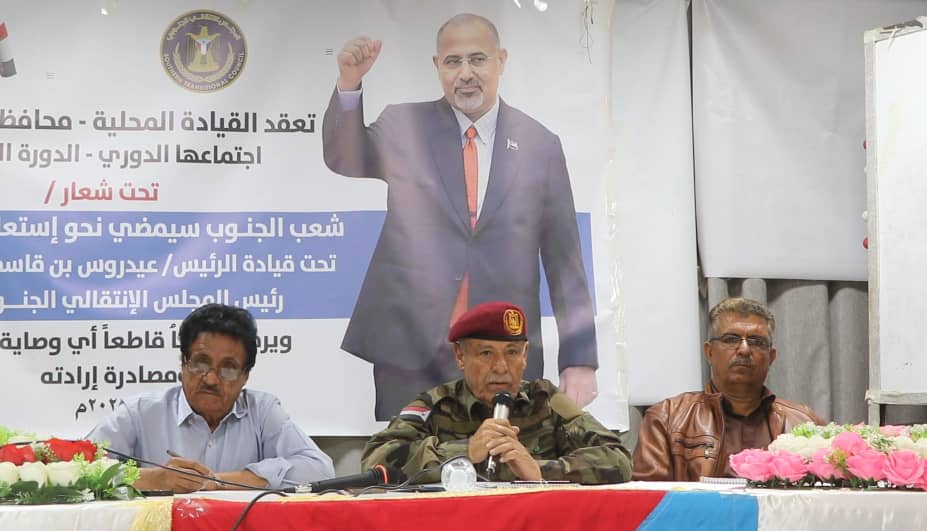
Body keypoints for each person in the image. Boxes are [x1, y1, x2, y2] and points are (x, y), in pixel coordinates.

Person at [322, 13, 599, 420]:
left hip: (501, 353)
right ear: (437, 66)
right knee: (411, 458)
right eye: (453, 61)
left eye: (477, 59)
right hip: (410, 350)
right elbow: (345, 157)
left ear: (501, 60)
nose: (465, 73)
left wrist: (579, 358)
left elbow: (564, 261)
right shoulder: (404, 125)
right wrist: (349, 84)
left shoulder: (539, 144)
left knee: (498, 456)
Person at [361, 301, 631, 484]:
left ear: (525, 355)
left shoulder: (546, 400)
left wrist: (539, 470)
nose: (501, 367)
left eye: (512, 353)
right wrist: (466, 451)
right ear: (460, 356)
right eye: (486, 353)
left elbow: (617, 457)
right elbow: (376, 460)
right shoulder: (436, 404)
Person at [87, 303, 334, 493]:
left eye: (228, 368)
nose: (212, 379)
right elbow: (77, 471)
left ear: (245, 376)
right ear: (183, 363)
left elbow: (320, 470)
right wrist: (155, 479)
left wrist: (219, 482)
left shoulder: (262, 411)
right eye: (200, 363)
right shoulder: (139, 413)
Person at [632, 297, 825, 482]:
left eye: (756, 341)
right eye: (731, 339)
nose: (744, 349)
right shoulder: (667, 418)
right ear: (709, 352)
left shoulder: (803, 422)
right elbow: (648, 499)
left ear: (771, 357)